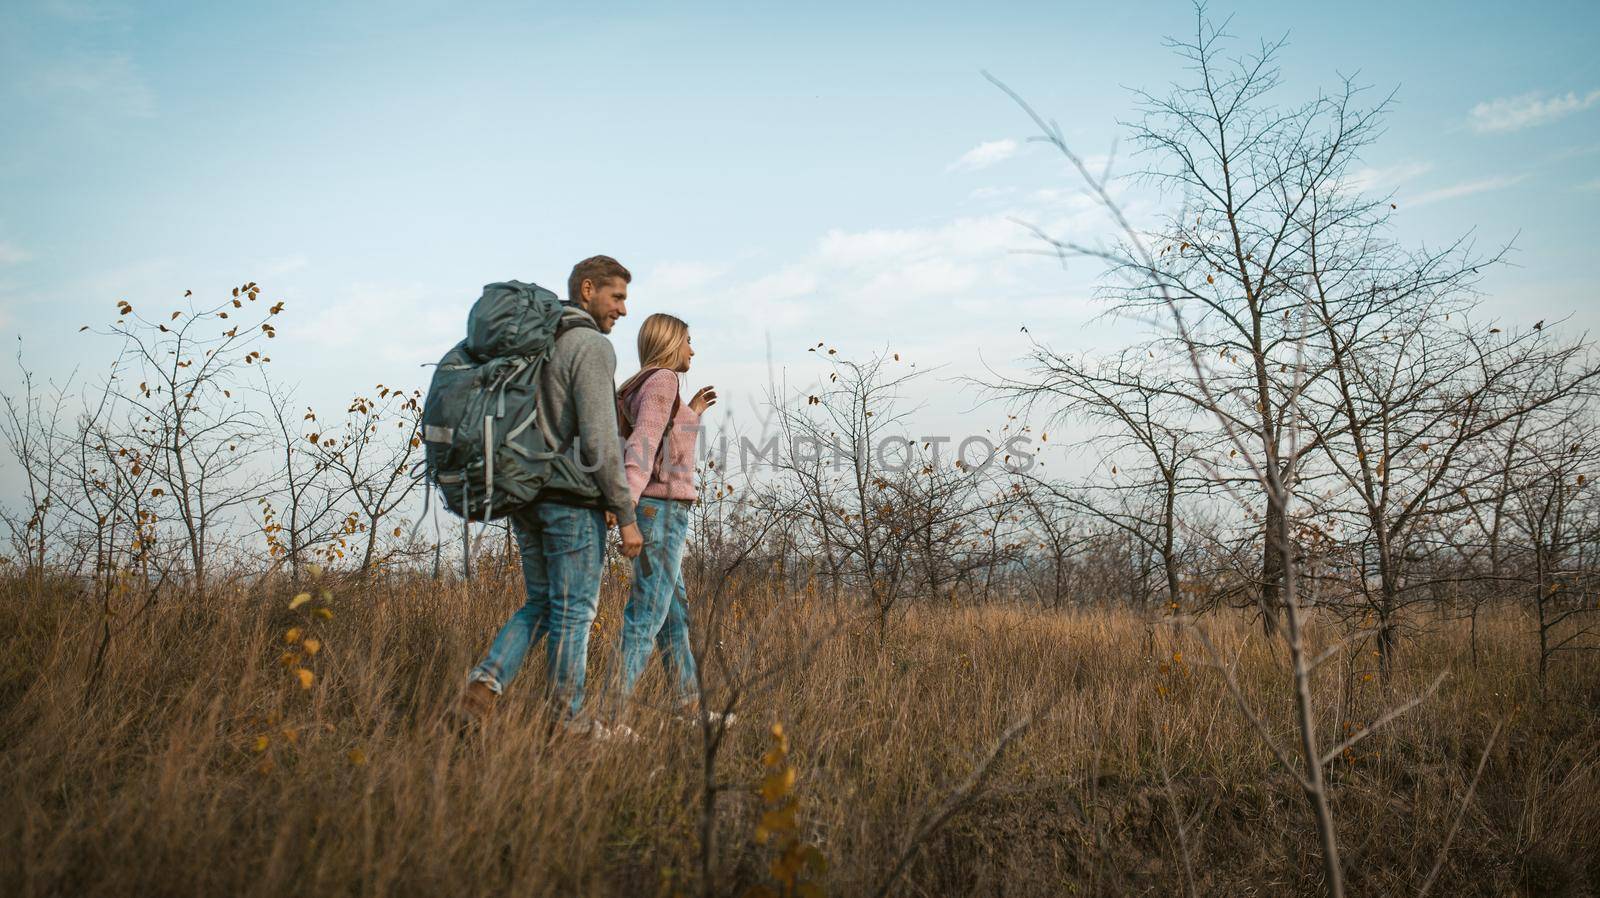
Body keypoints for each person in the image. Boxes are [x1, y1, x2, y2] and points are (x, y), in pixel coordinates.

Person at [458, 255, 643, 733]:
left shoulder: (537, 341)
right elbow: (601, 441)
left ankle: (483, 686)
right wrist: (624, 512)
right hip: (570, 500)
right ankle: (568, 721)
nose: (623, 310)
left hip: (525, 496)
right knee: (576, 610)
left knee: (542, 602)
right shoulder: (590, 346)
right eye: (616, 296)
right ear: (587, 289)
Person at [612, 313, 717, 717]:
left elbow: (663, 446)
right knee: (646, 615)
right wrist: (626, 508)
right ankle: (608, 714)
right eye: (688, 340)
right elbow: (641, 446)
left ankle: (688, 706)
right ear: (671, 343)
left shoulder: (644, 388)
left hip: (659, 509)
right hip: (662, 511)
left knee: (674, 615)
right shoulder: (662, 380)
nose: (693, 349)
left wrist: (689, 413)